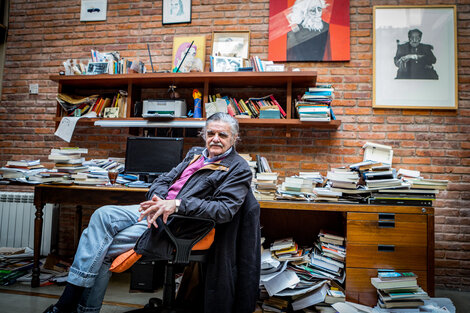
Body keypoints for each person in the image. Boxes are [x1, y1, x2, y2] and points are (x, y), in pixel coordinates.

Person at [43, 112, 256, 313]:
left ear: (234, 138)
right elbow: (163, 179)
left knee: (102, 247)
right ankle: (71, 302)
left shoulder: (238, 168)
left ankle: (71, 304)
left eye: (222, 135)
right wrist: (160, 199)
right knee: (103, 214)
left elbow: (224, 210)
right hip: (158, 208)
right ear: (204, 135)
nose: (215, 139)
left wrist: (177, 205)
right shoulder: (195, 155)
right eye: (211, 133)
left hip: (181, 223)